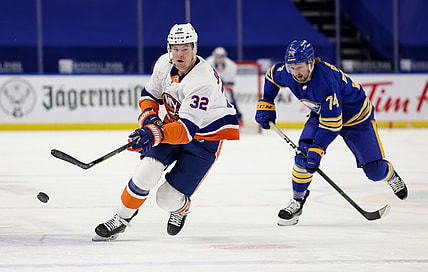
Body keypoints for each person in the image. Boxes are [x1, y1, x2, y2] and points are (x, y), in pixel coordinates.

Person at [93, 23, 240, 241]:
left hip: (205, 138)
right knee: (146, 170)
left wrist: (152, 133)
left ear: (195, 49)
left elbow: (186, 130)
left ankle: (181, 209)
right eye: (175, 48)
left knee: (167, 199)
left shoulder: (202, 81)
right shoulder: (164, 63)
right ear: (169, 48)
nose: (180, 54)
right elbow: (148, 95)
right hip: (174, 126)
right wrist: (150, 120)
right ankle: (121, 219)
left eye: (186, 49)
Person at [255, 39, 408, 226]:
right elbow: (271, 75)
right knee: (302, 156)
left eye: (300, 67)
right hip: (322, 115)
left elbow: (332, 126)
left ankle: (390, 175)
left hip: (357, 119)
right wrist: (267, 101)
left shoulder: (325, 82)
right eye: (292, 67)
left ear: (311, 62)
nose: (296, 73)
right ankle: (297, 200)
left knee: (374, 171)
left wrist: (318, 149)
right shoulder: (288, 74)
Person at [206, 47, 243, 125]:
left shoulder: (232, 66)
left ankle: (237, 117)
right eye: (217, 56)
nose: (219, 59)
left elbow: (231, 83)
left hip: (225, 87)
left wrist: (225, 86)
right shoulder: (208, 63)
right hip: (212, 86)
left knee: (230, 99)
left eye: (221, 56)